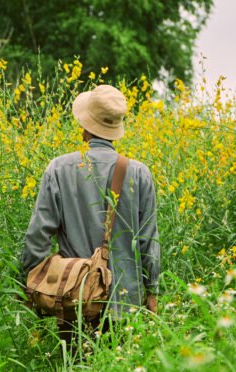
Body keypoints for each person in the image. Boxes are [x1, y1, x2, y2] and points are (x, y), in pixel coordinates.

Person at [20, 84, 160, 343]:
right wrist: (152, 291)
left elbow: (37, 236)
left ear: (84, 125)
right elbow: (148, 242)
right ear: (116, 130)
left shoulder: (59, 169)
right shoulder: (140, 173)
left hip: (75, 300)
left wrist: (31, 283)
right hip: (126, 304)